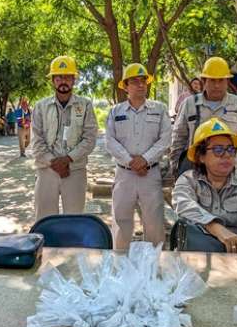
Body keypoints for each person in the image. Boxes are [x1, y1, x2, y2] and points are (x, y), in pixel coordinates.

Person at [172, 118, 237, 253]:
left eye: (231, 150)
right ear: (201, 156)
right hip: (201, 254)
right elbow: (184, 206)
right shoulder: (188, 180)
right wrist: (217, 229)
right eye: (218, 150)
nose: (226, 155)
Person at [170, 57, 237, 184]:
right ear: (204, 81)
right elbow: (178, 138)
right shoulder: (189, 105)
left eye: (221, 81)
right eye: (212, 81)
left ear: (227, 82)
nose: (217, 85)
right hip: (198, 176)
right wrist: (175, 167)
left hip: (234, 176)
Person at [105, 63, 171, 250]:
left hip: (150, 175)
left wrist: (145, 159)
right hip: (124, 175)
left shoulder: (159, 109)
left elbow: (165, 139)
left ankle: (153, 267)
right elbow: (110, 141)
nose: (140, 85)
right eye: (134, 81)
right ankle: (120, 265)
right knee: (121, 221)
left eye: (143, 81)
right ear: (125, 86)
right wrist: (130, 161)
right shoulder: (115, 112)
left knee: (154, 222)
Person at [31, 55, 98, 220]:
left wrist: (67, 159)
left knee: (74, 220)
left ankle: (71, 247)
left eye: (67, 77)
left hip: (74, 171)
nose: (63, 81)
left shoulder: (85, 105)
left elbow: (89, 138)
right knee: (44, 220)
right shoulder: (40, 107)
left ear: (74, 80)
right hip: (47, 170)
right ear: (53, 80)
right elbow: (37, 140)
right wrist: (54, 162)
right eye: (59, 77)